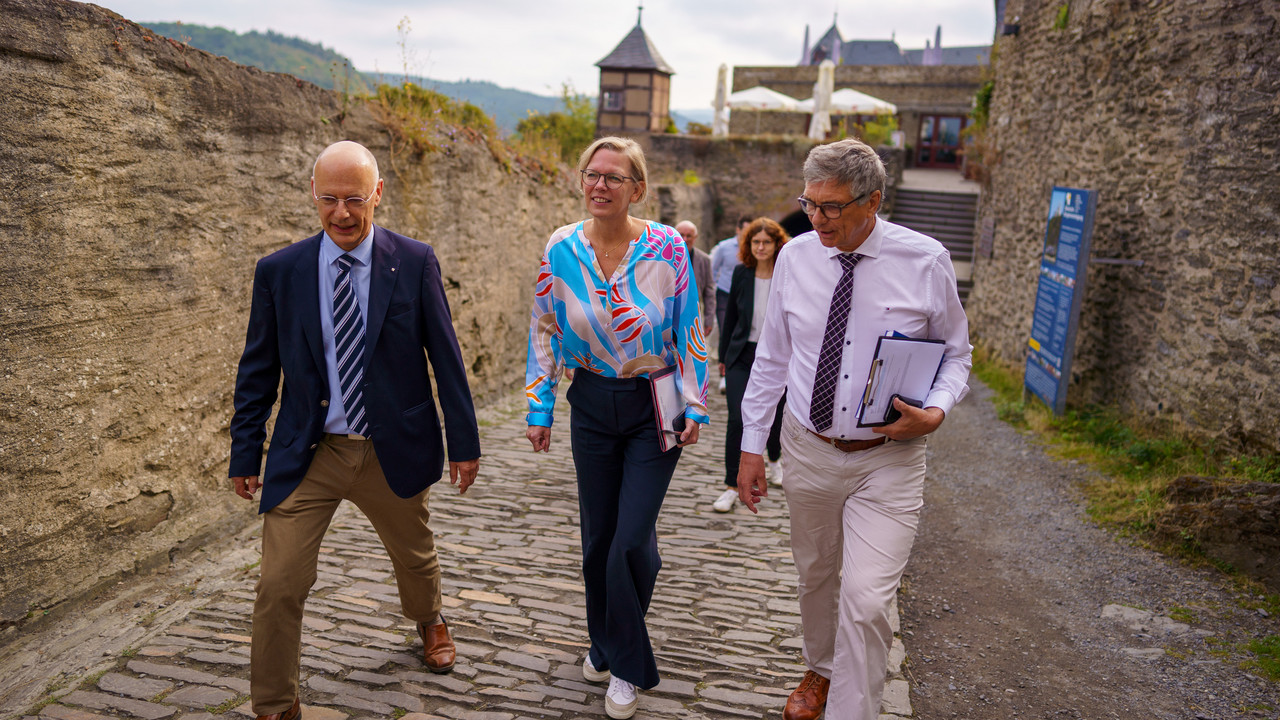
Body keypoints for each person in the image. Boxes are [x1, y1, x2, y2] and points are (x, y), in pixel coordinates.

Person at [229, 141, 482, 720]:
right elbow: (258, 369)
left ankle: (430, 619)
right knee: (278, 585)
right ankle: (273, 706)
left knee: (414, 556)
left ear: (377, 195)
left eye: (354, 200)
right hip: (310, 452)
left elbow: (445, 357)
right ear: (313, 197)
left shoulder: (414, 261)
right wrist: (246, 452)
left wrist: (463, 442)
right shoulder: (280, 271)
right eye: (329, 199)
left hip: (389, 446)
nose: (342, 214)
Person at [736, 139, 971, 720]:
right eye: (809, 204)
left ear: (874, 201)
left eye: (832, 207)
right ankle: (819, 669)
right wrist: (750, 447)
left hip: (888, 458)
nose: (817, 219)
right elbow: (771, 358)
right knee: (816, 573)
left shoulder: (925, 260)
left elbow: (957, 355)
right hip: (807, 448)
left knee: (866, 602)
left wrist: (935, 411)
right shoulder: (796, 257)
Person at [525, 136, 710, 719]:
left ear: (638, 188)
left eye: (614, 176)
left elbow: (690, 328)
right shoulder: (561, 248)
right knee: (598, 542)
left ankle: (626, 667)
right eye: (592, 174)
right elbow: (544, 328)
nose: (600, 184)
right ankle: (602, 642)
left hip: (655, 406)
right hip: (591, 404)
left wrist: (696, 403)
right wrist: (539, 406)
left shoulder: (667, 248)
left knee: (631, 540)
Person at [713, 217, 789, 513]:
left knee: (776, 414)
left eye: (766, 242)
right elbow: (729, 318)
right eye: (755, 242)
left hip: (778, 356)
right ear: (748, 244)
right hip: (742, 356)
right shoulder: (741, 275)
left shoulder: (787, 275)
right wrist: (723, 359)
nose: (760, 247)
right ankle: (731, 485)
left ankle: (774, 459)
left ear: (776, 245)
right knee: (737, 419)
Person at [710, 214, 752, 393]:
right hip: (725, 294)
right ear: (738, 229)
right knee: (725, 330)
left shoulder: (754, 248)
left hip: (746, 296)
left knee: (742, 331)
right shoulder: (724, 248)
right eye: (746, 230)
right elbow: (712, 269)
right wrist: (714, 290)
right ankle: (724, 375)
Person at [675, 220, 716, 337]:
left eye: (689, 236)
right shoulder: (666, 257)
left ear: (695, 237)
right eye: (681, 235)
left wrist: (709, 320)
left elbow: (709, 292)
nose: (685, 239)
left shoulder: (704, 260)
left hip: (692, 314)